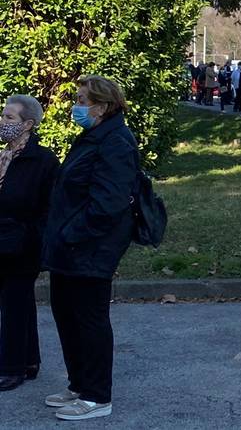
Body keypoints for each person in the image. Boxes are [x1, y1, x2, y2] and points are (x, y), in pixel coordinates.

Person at [43, 76, 139, 420]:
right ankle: (79, 384)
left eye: (83, 100)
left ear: (103, 107)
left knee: (89, 318)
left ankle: (97, 395)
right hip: (69, 245)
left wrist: (72, 233)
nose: (76, 106)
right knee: (66, 315)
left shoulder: (116, 142)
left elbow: (108, 203)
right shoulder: (93, 135)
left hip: (90, 246)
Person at [0, 96, 59, 392]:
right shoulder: (3, 156)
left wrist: (31, 237)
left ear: (28, 125)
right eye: (3, 116)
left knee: (13, 302)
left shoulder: (44, 160)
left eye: (10, 118)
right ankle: (29, 360)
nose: (3, 122)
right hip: (2, 241)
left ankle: (11, 368)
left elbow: (50, 208)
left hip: (23, 244)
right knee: (18, 302)